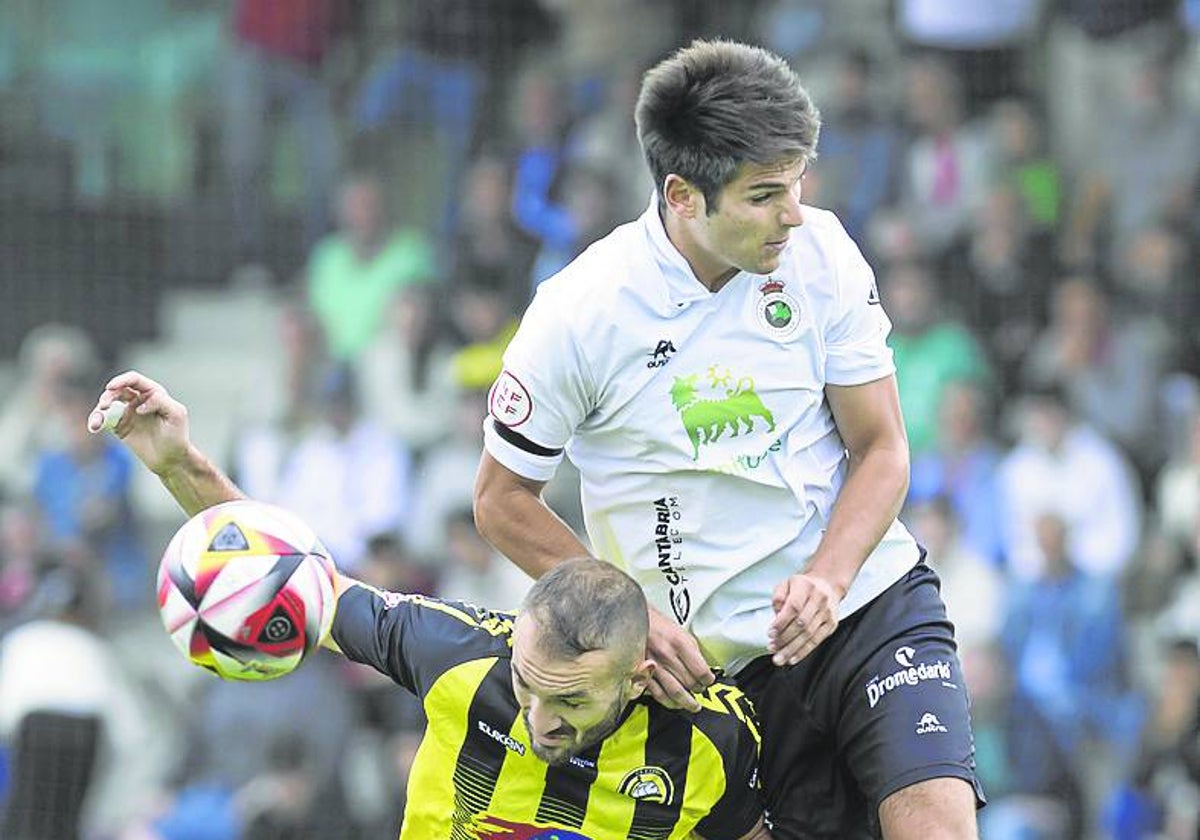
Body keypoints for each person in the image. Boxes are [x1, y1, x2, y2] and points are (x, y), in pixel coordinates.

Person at [473, 39, 983, 838]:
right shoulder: (579, 315)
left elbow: (881, 448)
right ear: (682, 195)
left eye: (799, 182)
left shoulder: (821, 254)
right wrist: (626, 612)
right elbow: (502, 501)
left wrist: (827, 577)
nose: (793, 214)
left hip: (866, 607)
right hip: (708, 678)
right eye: (764, 194)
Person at [86, 371, 771, 840]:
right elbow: (284, 575)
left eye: (570, 703)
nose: (539, 720)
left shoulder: (713, 740)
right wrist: (178, 464)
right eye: (527, 685)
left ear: (638, 677)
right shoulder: (456, 653)